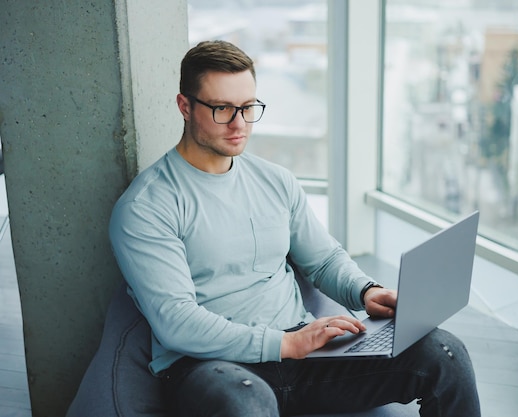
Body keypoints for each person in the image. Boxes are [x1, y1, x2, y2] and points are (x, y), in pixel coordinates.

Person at [109, 40, 481, 417]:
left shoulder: (275, 181)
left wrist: (365, 290)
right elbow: (177, 322)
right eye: (222, 109)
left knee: (444, 353)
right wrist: (284, 344)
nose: (239, 123)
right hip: (210, 367)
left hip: (305, 358)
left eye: (248, 107)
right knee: (245, 402)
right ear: (185, 106)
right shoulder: (147, 207)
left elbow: (323, 260)